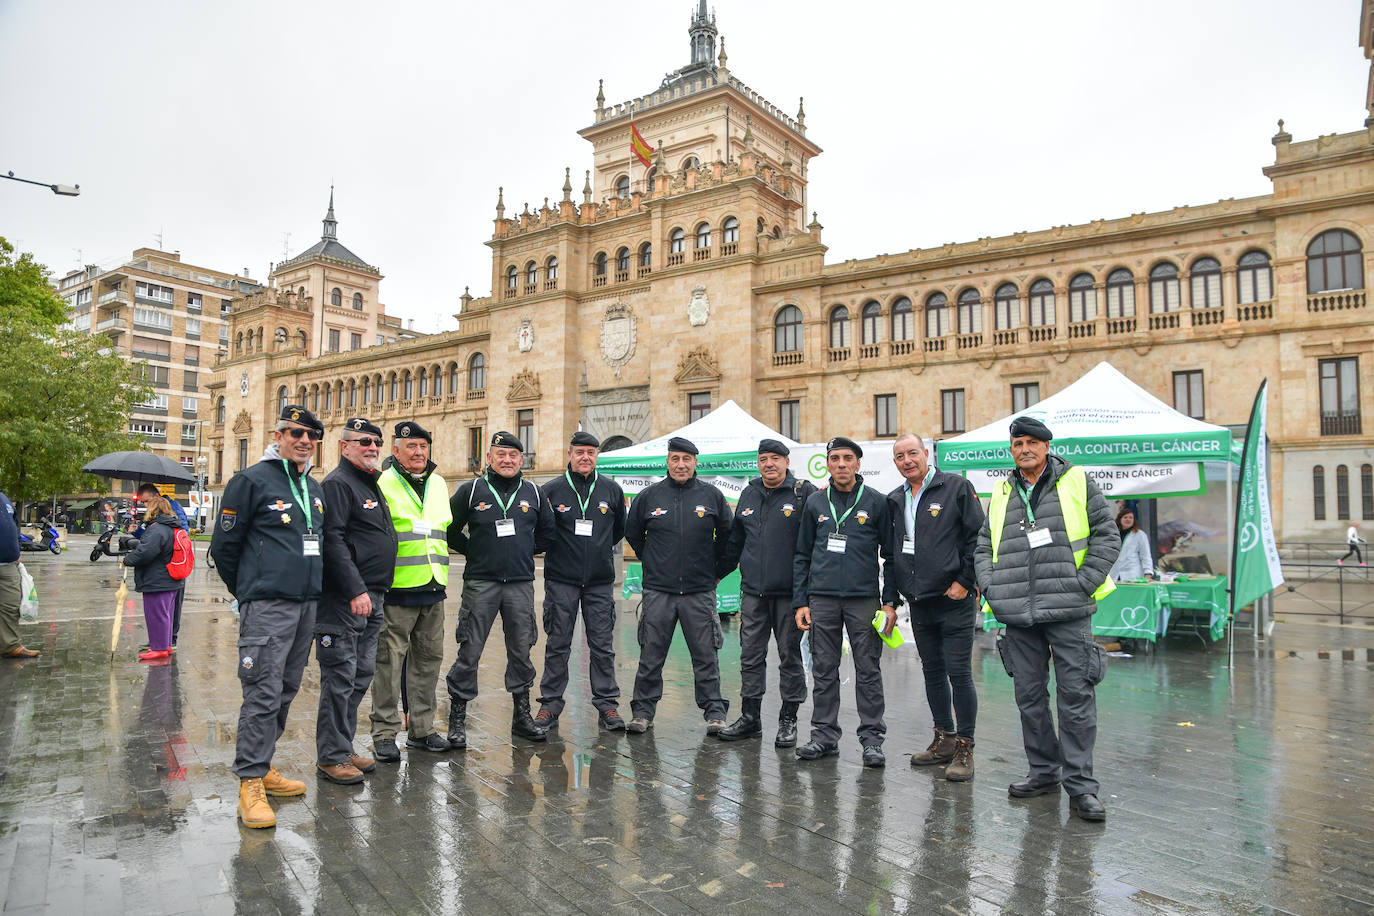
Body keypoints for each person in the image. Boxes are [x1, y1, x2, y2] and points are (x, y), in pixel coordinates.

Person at [974, 417, 1119, 823]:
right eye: (1017, 443)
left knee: (1076, 698)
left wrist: (1085, 582)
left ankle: (1081, 788)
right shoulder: (1003, 489)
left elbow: (1107, 534)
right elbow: (984, 545)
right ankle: (1043, 772)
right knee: (1029, 698)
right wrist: (991, 586)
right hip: (1018, 612)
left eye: (1032, 442)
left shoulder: (1075, 480)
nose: (1024, 449)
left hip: (1069, 609)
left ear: (1047, 446)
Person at [210, 404, 327, 829]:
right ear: (278, 436)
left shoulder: (313, 487)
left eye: (311, 435)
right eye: (294, 432)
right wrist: (249, 592)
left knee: (285, 689)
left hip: (305, 605)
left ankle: (265, 764)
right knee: (261, 690)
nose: (303, 440)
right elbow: (224, 549)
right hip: (268, 607)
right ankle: (250, 782)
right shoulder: (250, 481)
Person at [883, 434, 984, 780]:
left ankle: (965, 748)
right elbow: (892, 554)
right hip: (919, 601)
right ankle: (943, 738)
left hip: (954, 600)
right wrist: (891, 599)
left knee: (959, 673)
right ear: (894, 463)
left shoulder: (955, 487)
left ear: (926, 454)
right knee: (932, 673)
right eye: (900, 456)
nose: (907, 460)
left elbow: (977, 539)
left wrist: (965, 581)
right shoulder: (895, 499)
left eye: (913, 453)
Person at [444, 431, 554, 746]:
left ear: (522, 459)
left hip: (519, 585)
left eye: (513, 455)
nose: (507, 460)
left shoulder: (533, 492)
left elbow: (548, 532)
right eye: (501, 454)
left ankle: (522, 717)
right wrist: (473, 551)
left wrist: (522, 552)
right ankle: (457, 720)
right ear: (489, 458)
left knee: (521, 650)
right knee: (470, 649)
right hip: (481, 583)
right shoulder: (471, 490)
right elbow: (450, 528)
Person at [793, 436, 895, 768]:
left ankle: (872, 741)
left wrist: (890, 602)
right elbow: (802, 555)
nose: (840, 464)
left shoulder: (877, 502)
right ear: (827, 463)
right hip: (821, 599)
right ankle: (823, 736)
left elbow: (891, 557)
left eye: (847, 458)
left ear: (858, 463)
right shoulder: (815, 503)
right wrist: (801, 601)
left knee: (868, 669)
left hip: (863, 599)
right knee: (823, 669)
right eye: (834, 458)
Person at [623, 437, 732, 735]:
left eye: (687, 459)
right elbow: (633, 534)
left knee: (706, 655)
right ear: (667, 462)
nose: (681, 464)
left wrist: (717, 573)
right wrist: (655, 562)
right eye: (675, 459)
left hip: (699, 592)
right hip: (659, 592)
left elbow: (729, 538)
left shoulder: (712, 497)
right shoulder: (649, 497)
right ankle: (642, 712)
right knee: (650, 656)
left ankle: (715, 713)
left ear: (696, 462)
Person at [715, 438, 816, 746]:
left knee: (790, 657)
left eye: (775, 458)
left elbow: (814, 546)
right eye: (763, 459)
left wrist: (808, 595)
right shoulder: (749, 493)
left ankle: (788, 720)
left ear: (786, 462)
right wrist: (715, 575)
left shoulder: (803, 493)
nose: (769, 464)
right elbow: (735, 543)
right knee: (750, 656)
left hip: (790, 596)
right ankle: (750, 718)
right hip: (753, 594)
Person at [315, 418, 397, 784]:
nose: (372, 447)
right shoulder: (337, 484)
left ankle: (342, 745)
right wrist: (354, 589)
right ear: (344, 446)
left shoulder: (368, 482)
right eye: (364, 441)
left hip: (373, 597)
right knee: (340, 676)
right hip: (345, 601)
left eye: (377, 442)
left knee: (360, 675)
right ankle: (331, 757)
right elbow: (331, 541)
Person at [535, 431, 628, 731]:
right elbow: (542, 534)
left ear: (597, 455)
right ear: (570, 454)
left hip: (600, 582)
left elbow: (618, 531)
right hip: (561, 580)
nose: (585, 457)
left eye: (591, 452)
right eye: (580, 452)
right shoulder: (550, 490)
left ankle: (607, 705)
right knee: (558, 643)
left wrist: (598, 553)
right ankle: (549, 705)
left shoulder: (612, 491)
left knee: (602, 646)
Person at [372, 421, 454, 760]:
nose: (418, 452)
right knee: (389, 664)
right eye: (411, 447)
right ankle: (384, 732)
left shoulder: (437, 483)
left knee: (428, 662)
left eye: (423, 446)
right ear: (396, 450)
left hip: (433, 587)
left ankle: (422, 729)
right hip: (398, 589)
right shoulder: (381, 483)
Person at [121, 496, 186, 662]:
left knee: (156, 615)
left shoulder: (157, 529)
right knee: (166, 615)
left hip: (157, 581)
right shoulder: (172, 527)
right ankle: (166, 645)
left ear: (154, 509)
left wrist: (127, 560)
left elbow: (145, 552)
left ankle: (159, 648)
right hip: (172, 580)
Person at [135, 483, 190, 651]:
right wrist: (137, 532)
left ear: (155, 496)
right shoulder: (155, 514)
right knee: (161, 608)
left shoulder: (173, 507)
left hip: (173, 564)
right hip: (161, 564)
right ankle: (160, 641)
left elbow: (181, 533)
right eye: (142, 503)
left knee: (170, 606)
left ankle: (169, 640)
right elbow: (151, 538)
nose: (144, 505)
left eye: (146, 501)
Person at [0, 489, 38, 659]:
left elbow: (14, 526)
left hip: (9, 562)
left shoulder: (4, 499)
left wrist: (17, 549)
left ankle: (10, 645)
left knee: (11, 604)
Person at [1110, 506, 1154, 580]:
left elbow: (1145, 555)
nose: (1128, 519)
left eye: (1131, 517)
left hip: (1132, 574)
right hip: (1114, 575)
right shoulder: (1113, 534)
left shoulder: (1140, 535)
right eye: (1125, 517)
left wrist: (1148, 573)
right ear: (1119, 519)